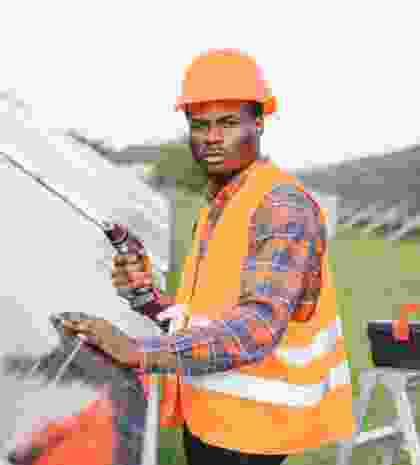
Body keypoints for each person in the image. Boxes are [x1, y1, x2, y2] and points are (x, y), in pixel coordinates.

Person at [64, 48, 356, 465]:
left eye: (228, 123)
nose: (212, 137)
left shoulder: (280, 206)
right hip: (216, 417)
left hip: (253, 430)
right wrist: (147, 297)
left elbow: (257, 326)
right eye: (200, 125)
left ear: (259, 123)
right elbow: (208, 319)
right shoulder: (222, 204)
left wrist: (137, 350)